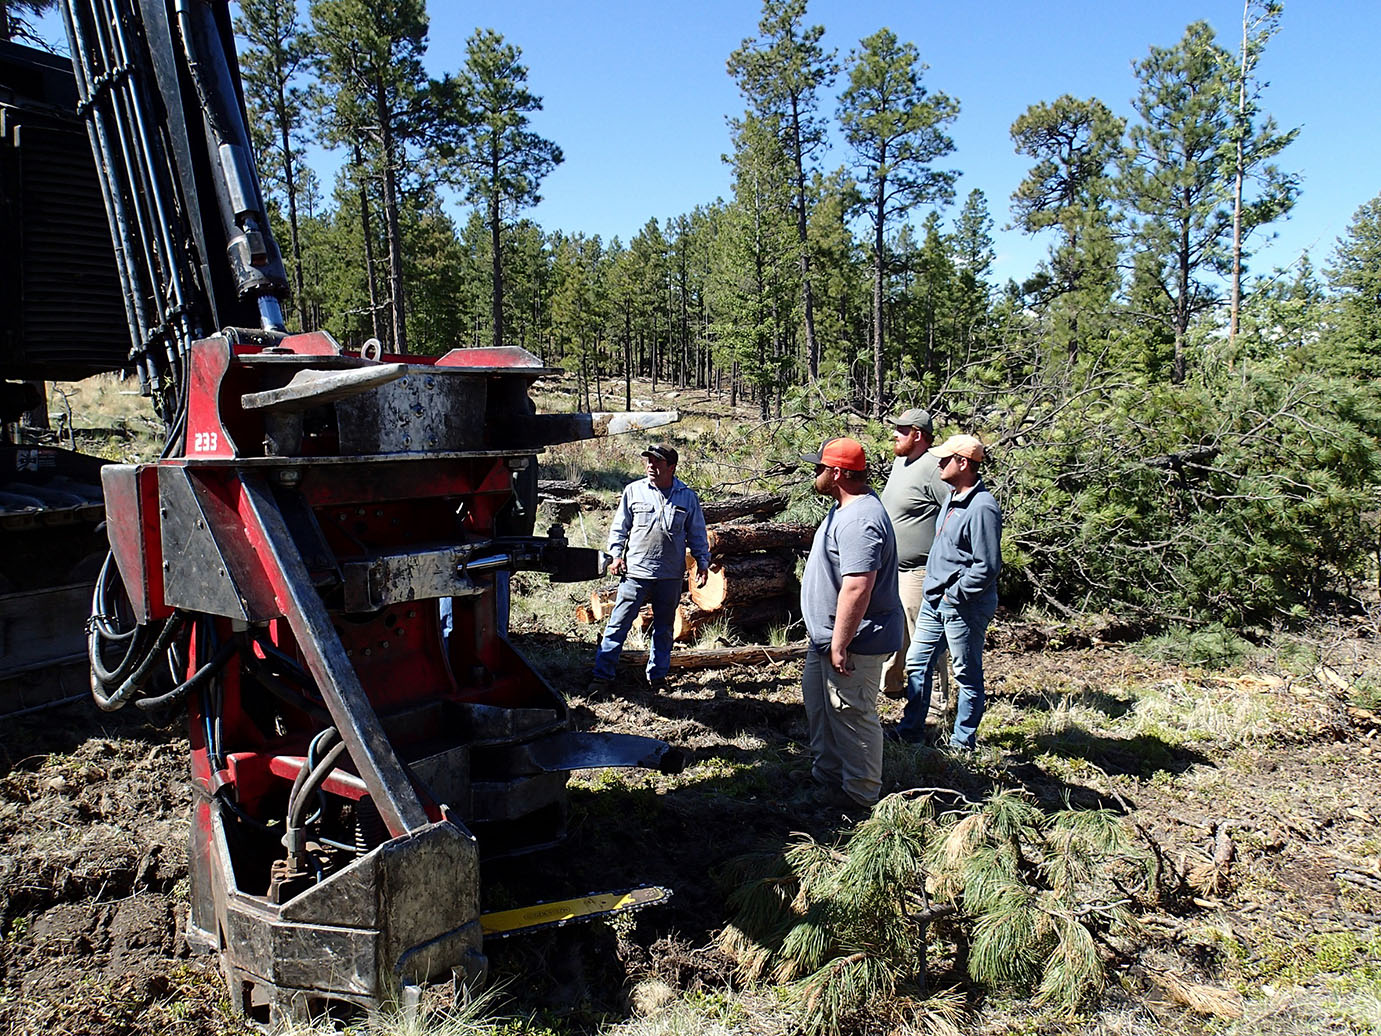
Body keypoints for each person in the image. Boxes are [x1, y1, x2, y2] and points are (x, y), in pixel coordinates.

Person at [799, 437, 905, 809]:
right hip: (827, 638)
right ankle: (827, 780)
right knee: (821, 707)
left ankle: (859, 798)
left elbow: (858, 586)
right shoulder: (845, 508)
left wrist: (841, 644)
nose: (815, 473)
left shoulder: (861, 520)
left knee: (851, 713)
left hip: (852, 641)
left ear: (839, 473)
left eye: (820, 468)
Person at [897, 434, 1002, 750]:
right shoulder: (952, 497)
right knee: (916, 663)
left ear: (964, 463)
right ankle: (911, 730)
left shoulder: (982, 507)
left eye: (945, 458)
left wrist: (953, 595)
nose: (939, 463)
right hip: (936, 601)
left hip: (962, 606)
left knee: (966, 675)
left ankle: (962, 742)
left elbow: (987, 566)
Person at [588, 444, 709, 695]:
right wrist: (615, 556)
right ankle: (602, 677)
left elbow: (697, 534)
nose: (651, 466)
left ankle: (658, 678)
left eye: (657, 462)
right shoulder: (634, 491)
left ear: (671, 467)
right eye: (649, 461)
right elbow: (620, 528)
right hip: (636, 574)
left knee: (664, 629)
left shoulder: (687, 496)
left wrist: (703, 562)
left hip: (670, 576)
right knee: (618, 625)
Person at [878, 408, 949, 700]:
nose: (895, 434)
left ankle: (934, 700)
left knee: (925, 638)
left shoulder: (935, 468)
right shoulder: (900, 462)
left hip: (920, 572)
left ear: (918, 435)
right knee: (896, 633)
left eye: (901, 430)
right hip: (892, 569)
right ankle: (892, 685)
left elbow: (955, 513)